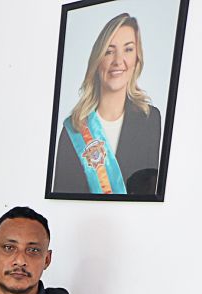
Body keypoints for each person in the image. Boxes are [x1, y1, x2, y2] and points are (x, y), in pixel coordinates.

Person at [53, 13, 162, 195]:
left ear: (137, 59)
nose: (118, 61)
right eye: (109, 51)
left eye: (128, 49)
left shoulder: (150, 119)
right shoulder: (74, 129)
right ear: (97, 61)